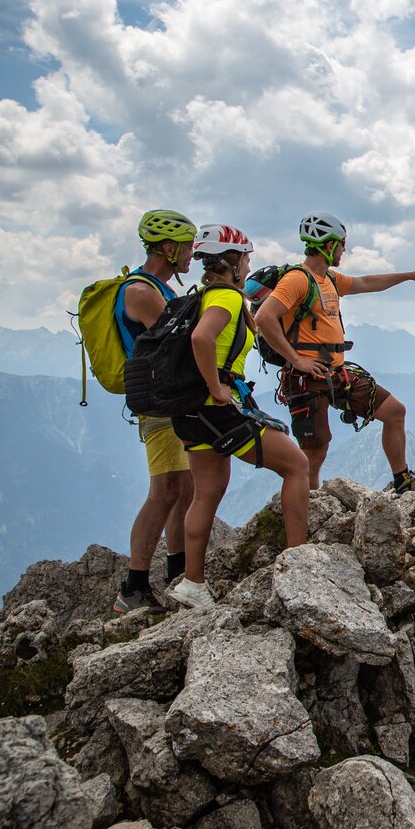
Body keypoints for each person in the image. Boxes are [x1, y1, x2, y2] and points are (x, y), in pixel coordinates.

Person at [167, 225, 310, 609]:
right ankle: (299, 562)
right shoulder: (226, 300)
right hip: (217, 409)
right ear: (231, 261)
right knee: (296, 464)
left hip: (191, 412)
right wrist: (217, 388)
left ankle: (193, 584)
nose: (249, 264)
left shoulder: (202, 296)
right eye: (246, 258)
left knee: (207, 493)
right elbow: (201, 339)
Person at [255, 212, 415, 494]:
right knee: (314, 453)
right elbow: (264, 318)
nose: (345, 249)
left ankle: (402, 479)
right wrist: (296, 360)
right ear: (328, 245)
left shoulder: (328, 279)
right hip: (307, 376)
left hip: (335, 373)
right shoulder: (297, 280)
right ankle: (308, 510)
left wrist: (409, 276)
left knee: (394, 411)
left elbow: (366, 282)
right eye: (342, 243)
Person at [114, 210, 197, 613]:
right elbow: (173, 344)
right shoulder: (141, 291)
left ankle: (177, 573)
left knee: (186, 488)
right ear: (167, 248)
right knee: (164, 491)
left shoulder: (160, 290)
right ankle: (133, 587)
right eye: (185, 247)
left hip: (172, 400)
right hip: (158, 404)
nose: (191, 254)